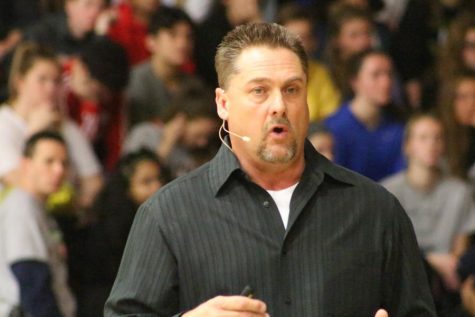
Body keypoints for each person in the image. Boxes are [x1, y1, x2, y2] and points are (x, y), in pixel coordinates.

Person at [105, 22, 436, 316]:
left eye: (292, 90)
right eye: (259, 90)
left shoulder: (376, 210)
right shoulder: (168, 214)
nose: (279, 105)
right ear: (223, 103)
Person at [0, 42, 102, 208]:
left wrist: (74, 205)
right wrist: (34, 133)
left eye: (56, 81)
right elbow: (19, 184)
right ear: (20, 82)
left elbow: (94, 182)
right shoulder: (3, 124)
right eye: (42, 80)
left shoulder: (66, 126)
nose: (51, 88)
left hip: (65, 221)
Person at [381, 113, 475, 293]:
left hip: (448, 281)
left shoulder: (459, 192)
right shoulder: (387, 191)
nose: (431, 144)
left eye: (437, 137)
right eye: (423, 138)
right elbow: (387, 250)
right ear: (408, 146)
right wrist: (430, 260)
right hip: (402, 279)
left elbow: (459, 253)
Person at [79, 149, 167, 316]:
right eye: (146, 182)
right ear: (126, 189)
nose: (158, 187)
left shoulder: (170, 220)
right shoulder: (107, 234)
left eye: (160, 179)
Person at [0, 130, 75, 317]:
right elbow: (30, 277)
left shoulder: (37, 207)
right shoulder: (22, 205)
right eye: (49, 161)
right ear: (26, 165)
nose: (59, 170)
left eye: (64, 163)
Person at [324, 49, 406, 181]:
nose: (386, 82)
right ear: (355, 81)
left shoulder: (397, 126)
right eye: (376, 75)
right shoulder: (334, 128)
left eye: (389, 74)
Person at [123, 82, 219, 178]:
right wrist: (167, 144)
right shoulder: (145, 134)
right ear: (180, 121)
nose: (202, 143)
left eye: (208, 137)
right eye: (198, 135)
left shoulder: (199, 153)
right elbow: (131, 177)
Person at [126, 5, 198, 127]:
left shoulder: (193, 84)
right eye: (173, 35)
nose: (182, 44)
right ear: (151, 41)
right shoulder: (135, 81)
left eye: (188, 37)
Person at [278, 3, 341, 122]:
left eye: (304, 38)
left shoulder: (320, 74)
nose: (298, 46)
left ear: (313, 43)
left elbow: (332, 120)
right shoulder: (264, 73)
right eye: (292, 39)